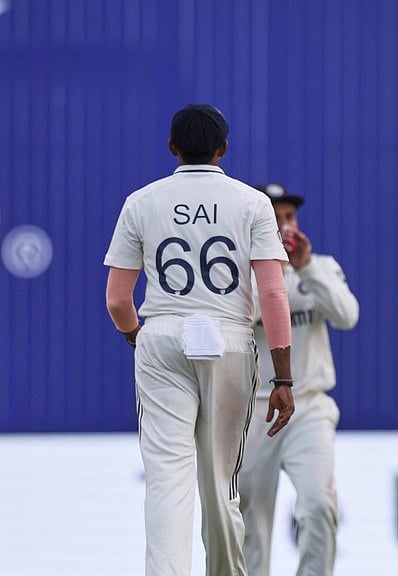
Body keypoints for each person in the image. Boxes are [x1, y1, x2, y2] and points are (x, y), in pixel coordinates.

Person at [103, 103, 296, 576]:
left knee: (167, 480)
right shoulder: (251, 203)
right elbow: (271, 291)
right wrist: (283, 376)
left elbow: (116, 300)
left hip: (163, 334)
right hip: (229, 338)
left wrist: (136, 338)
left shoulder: (141, 201)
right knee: (221, 481)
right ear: (223, 149)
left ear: (172, 148)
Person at [237, 183, 360, 576]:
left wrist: (305, 267)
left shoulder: (321, 265)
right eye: (274, 221)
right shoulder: (239, 276)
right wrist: (268, 275)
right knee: (249, 520)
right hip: (253, 410)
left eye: (289, 217)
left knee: (320, 505)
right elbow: (241, 323)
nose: (285, 227)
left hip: (309, 404)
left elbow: (347, 316)